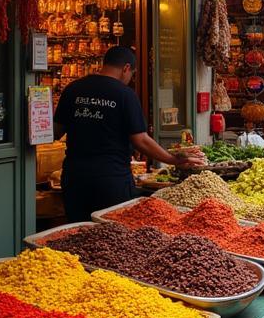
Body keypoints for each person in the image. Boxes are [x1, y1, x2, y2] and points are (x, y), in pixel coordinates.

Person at [53, 46, 205, 222]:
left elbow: (57, 131)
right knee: (112, 233)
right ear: (126, 68)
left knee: (75, 230)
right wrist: (173, 160)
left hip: (75, 176)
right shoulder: (125, 95)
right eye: (131, 74)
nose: (129, 79)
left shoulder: (73, 89)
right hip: (111, 179)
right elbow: (141, 140)